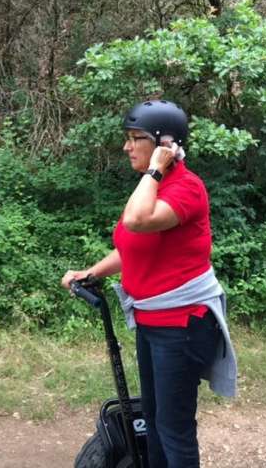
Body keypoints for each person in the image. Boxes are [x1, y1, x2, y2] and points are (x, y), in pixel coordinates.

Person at [61, 100, 236, 468]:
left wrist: (155, 171)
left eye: (135, 138)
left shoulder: (186, 188)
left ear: (164, 145)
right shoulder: (154, 188)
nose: (126, 147)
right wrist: (90, 273)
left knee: (173, 429)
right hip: (152, 322)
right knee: (154, 422)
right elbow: (132, 248)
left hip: (183, 325)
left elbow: (138, 220)